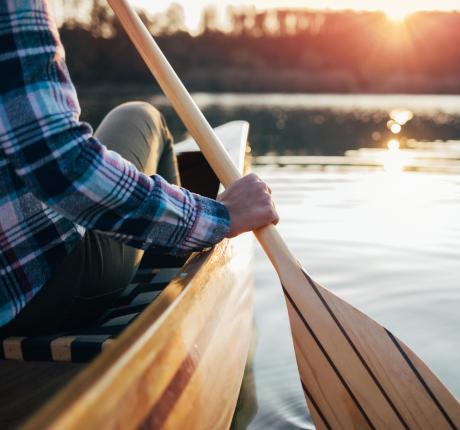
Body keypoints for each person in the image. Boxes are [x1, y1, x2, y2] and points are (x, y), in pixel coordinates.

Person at [0, 0, 278, 335]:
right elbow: (62, 166)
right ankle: (179, 278)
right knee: (140, 116)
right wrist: (218, 218)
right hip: (35, 291)